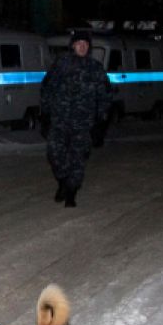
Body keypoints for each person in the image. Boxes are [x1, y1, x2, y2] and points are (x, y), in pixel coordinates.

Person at [39, 30, 111, 208]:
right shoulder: (61, 65)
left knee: (78, 159)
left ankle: (71, 191)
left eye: (86, 44)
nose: (82, 46)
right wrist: (45, 115)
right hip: (60, 120)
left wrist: (101, 123)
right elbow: (47, 89)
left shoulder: (95, 69)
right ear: (72, 45)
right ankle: (64, 180)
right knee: (55, 154)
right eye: (79, 43)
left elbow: (104, 96)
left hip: (83, 124)